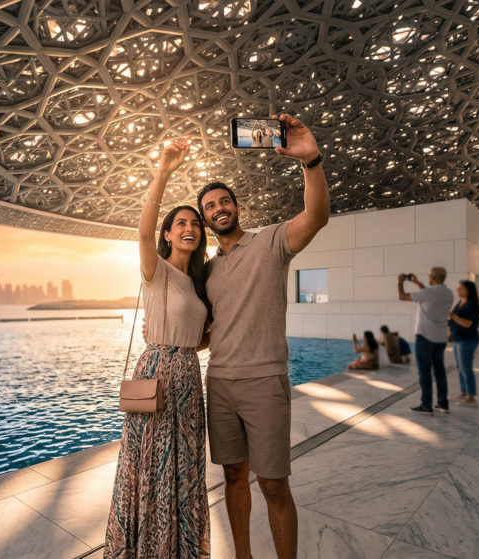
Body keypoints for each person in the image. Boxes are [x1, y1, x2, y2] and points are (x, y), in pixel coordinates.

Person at [199, 113, 329, 559]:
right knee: (234, 476)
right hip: (218, 384)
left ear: (236, 207)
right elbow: (205, 331)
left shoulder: (271, 243)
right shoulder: (208, 271)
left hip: (264, 382)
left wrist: (310, 162)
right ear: (204, 219)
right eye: (209, 207)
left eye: (223, 202)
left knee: (274, 483)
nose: (218, 209)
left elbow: (316, 216)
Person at [105, 138, 211, 558]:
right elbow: (142, 230)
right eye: (181, 223)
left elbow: (199, 337)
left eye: (195, 224)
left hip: (188, 375)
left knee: (184, 468)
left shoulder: (198, 282)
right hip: (157, 374)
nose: (190, 228)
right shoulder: (157, 270)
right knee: (151, 465)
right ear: (169, 233)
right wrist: (164, 169)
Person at [398, 268, 455, 414]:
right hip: (440, 338)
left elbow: (402, 296)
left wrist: (399, 282)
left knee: (425, 372)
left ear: (434, 277)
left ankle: (426, 405)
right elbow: (428, 294)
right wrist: (417, 283)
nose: (428, 277)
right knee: (440, 371)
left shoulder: (428, 293)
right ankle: (443, 403)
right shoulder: (448, 293)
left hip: (425, 337)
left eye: (429, 275)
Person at [449, 280, 479, 405]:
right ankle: (463, 392)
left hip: (467, 339)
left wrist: (453, 316)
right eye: (458, 288)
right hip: (458, 338)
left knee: (466, 367)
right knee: (459, 367)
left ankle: (471, 396)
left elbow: (468, 323)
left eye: (461, 288)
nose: (458, 290)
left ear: (469, 290)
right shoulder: (460, 303)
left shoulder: (472, 305)